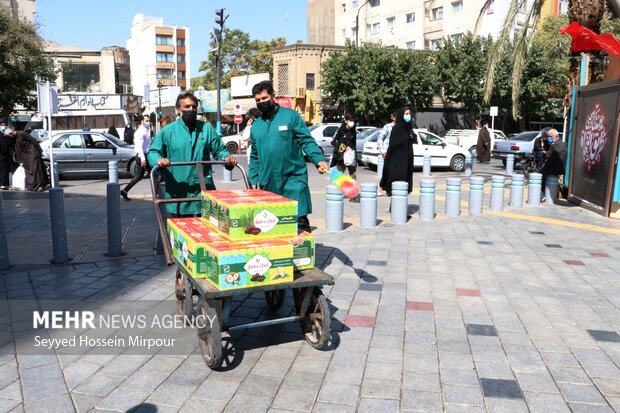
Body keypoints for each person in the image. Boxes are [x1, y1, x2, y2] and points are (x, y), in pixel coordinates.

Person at [248, 81, 328, 233]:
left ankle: (303, 256)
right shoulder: (256, 126)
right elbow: (254, 156)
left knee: (300, 227)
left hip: (293, 181)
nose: (262, 103)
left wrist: (318, 160)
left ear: (273, 96)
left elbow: (306, 140)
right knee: (274, 230)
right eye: (258, 100)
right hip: (268, 184)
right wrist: (253, 178)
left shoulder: (291, 116)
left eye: (264, 98)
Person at [147, 92, 237, 217]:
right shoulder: (168, 131)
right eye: (187, 107)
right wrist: (159, 160)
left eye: (194, 107)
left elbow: (219, 150)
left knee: (207, 233)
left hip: (204, 192)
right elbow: (153, 152)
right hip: (179, 194)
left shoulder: (206, 128)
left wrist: (226, 157)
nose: (191, 110)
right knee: (181, 233)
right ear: (178, 109)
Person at [380, 106, 416, 197]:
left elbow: (413, 138)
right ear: (401, 115)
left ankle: (398, 209)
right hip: (397, 165)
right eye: (406, 114)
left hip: (406, 163)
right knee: (398, 187)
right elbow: (393, 146)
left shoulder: (408, 128)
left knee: (403, 189)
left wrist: (412, 137)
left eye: (409, 114)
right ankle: (396, 209)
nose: (408, 116)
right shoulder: (397, 129)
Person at [5, 128, 49, 192]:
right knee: (28, 170)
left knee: (35, 170)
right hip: (25, 156)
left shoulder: (22, 133)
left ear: (11, 132)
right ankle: (32, 185)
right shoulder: (14, 138)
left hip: (32, 153)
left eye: (10, 135)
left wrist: (40, 151)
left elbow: (33, 140)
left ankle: (39, 185)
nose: (10, 136)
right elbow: (17, 149)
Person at [121, 115, 152, 201]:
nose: (148, 122)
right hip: (142, 156)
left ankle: (124, 190)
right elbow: (139, 147)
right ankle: (157, 192)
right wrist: (143, 159)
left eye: (149, 121)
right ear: (142, 121)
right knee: (154, 173)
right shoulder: (140, 132)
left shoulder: (147, 130)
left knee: (139, 176)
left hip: (145, 155)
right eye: (146, 120)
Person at [330, 114, 360, 202]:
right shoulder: (340, 130)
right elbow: (333, 142)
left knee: (353, 176)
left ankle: (354, 195)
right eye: (350, 120)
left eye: (353, 120)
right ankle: (337, 193)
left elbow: (354, 144)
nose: (352, 122)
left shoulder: (353, 130)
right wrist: (343, 147)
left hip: (351, 157)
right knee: (339, 176)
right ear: (346, 120)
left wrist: (356, 159)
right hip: (341, 157)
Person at [538, 128, 567, 202]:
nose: (549, 138)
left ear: (555, 136)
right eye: (548, 136)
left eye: (550, 136)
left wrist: (544, 167)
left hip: (556, 167)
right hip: (554, 166)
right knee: (541, 172)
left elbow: (552, 158)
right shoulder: (556, 143)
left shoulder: (558, 145)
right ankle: (543, 194)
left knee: (540, 175)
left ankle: (542, 195)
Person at [0, 119, 15, 189]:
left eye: (5, 125)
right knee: (3, 170)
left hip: (8, 156)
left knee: (7, 170)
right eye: (2, 125)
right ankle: (3, 184)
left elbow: (11, 143)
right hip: (2, 155)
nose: (4, 126)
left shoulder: (7, 133)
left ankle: (6, 184)